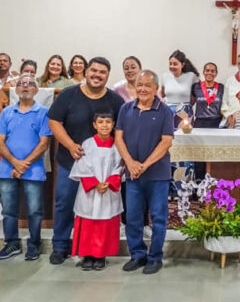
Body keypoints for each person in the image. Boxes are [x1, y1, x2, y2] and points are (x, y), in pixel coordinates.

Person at [48, 57, 124, 265]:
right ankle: (60, 246)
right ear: (86, 71)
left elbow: (121, 131)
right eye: (94, 70)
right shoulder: (69, 95)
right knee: (65, 203)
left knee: (97, 210)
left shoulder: (115, 100)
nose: (97, 75)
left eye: (102, 72)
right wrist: (70, 145)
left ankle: (96, 250)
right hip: (70, 161)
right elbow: (54, 122)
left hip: (102, 168)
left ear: (108, 76)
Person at [116, 70, 174, 275]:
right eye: (139, 84)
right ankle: (137, 254)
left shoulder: (165, 111)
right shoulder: (125, 109)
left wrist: (144, 165)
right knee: (132, 216)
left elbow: (166, 142)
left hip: (157, 174)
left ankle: (155, 257)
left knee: (158, 216)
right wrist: (130, 163)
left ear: (155, 88)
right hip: (133, 174)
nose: (142, 89)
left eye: (147, 85)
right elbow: (118, 138)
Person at [0, 74, 52, 261]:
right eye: (21, 84)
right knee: (8, 210)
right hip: (7, 169)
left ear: (36, 90)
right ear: (16, 89)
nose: (25, 87)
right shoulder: (7, 112)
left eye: (30, 84)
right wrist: (15, 162)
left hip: (33, 170)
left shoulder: (43, 112)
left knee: (35, 210)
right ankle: (11, 243)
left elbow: (44, 143)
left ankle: (34, 244)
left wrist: (23, 164)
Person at [69, 112, 123, 271]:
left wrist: (111, 181)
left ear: (113, 125)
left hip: (108, 189)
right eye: (101, 122)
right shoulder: (87, 144)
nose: (104, 125)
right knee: (89, 223)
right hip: (90, 191)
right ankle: (87, 255)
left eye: (108, 122)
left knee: (104, 224)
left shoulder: (117, 145)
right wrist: (93, 183)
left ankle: (100, 256)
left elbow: (120, 166)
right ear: (94, 125)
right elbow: (82, 165)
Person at [161, 50, 199, 127]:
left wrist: (186, 106)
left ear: (182, 64)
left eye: (175, 64)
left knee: (185, 136)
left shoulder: (191, 76)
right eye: (170, 64)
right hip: (168, 112)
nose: (172, 66)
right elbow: (161, 94)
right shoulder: (165, 76)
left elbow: (197, 93)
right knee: (168, 136)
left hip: (185, 113)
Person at [192, 62, 224, 128]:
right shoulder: (196, 86)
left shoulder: (221, 87)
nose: (209, 73)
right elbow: (190, 103)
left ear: (216, 73)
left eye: (212, 71)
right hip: (200, 122)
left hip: (217, 121)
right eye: (207, 70)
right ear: (204, 72)